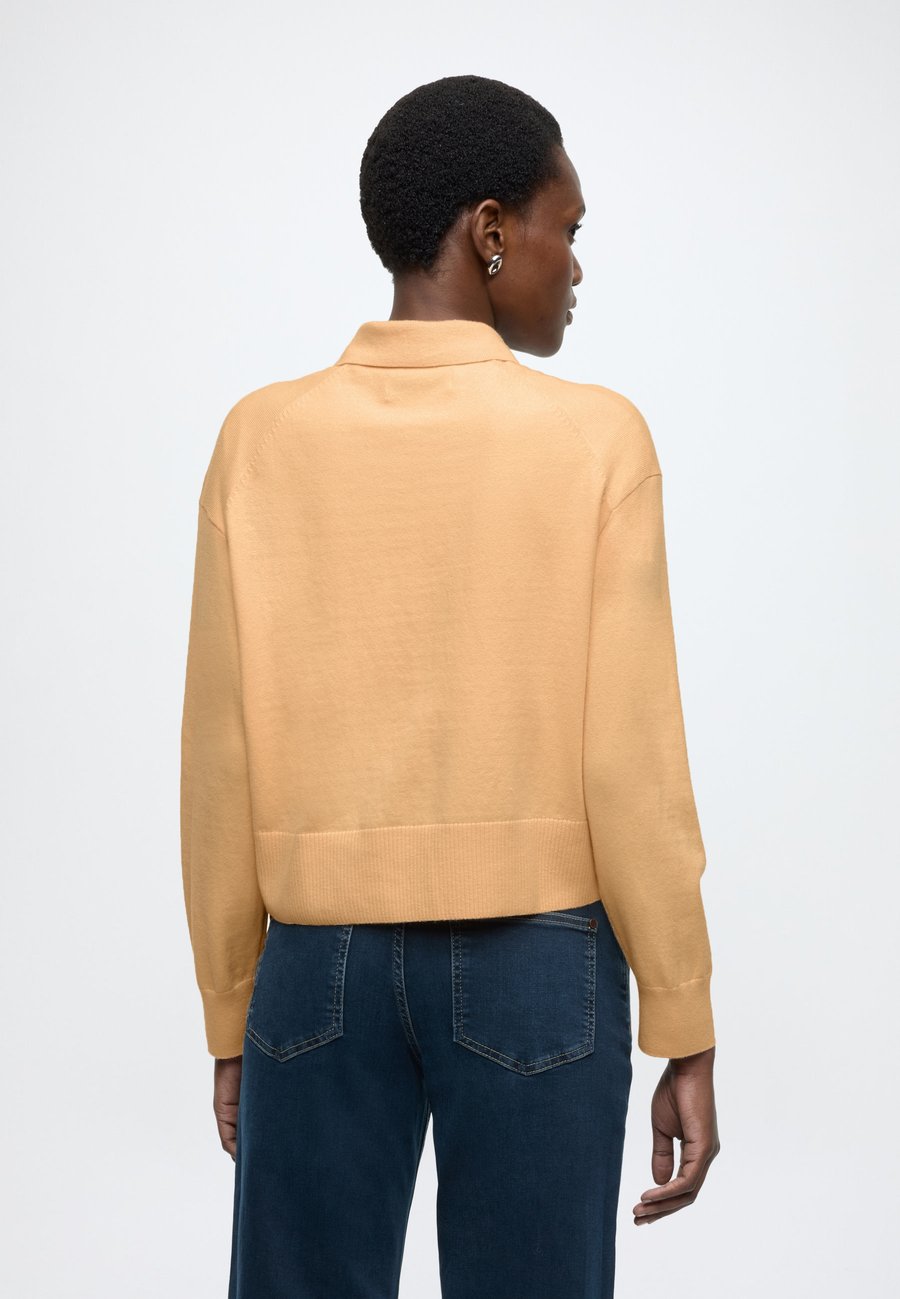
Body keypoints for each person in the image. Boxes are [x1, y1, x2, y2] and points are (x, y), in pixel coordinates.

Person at [180, 73, 721, 1298]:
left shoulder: (260, 440)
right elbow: (631, 760)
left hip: (313, 967)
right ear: (488, 230)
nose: (576, 265)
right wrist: (681, 1015)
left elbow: (220, 754)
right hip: (540, 960)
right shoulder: (596, 440)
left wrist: (229, 1008)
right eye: (565, 228)